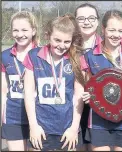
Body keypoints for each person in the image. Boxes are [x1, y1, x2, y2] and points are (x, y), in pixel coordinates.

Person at [80, 10, 122, 151]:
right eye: (111, 30)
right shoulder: (90, 56)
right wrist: (86, 96)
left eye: (120, 31)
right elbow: (88, 86)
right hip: (98, 119)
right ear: (103, 29)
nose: (116, 35)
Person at [22, 14, 85, 151]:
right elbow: (28, 94)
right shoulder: (33, 56)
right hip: (40, 128)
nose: (62, 46)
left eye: (67, 42)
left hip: (67, 129)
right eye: (57, 40)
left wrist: (74, 128)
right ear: (48, 35)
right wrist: (33, 126)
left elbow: (78, 98)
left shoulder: (77, 58)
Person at [1, 11, 38, 151]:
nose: (19, 34)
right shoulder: (5, 56)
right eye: (15, 30)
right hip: (13, 116)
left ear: (33, 31)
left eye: (24, 30)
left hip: (38, 115)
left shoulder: (41, 54)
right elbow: (3, 91)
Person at [74, 3, 102, 151]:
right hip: (74, 106)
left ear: (97, 21)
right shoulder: (66, 46)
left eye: (91, 18)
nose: (86, 22)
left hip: (99, 108)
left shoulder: (108, 46)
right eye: (81, 18)